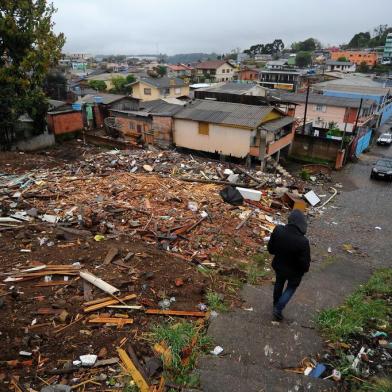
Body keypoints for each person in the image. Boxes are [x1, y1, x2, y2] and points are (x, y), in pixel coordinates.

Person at [267, 209, 311, 321]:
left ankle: (276, 303)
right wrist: (303, 271)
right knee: (291, 288)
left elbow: (271, 249)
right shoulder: (303, 242)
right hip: (294, 272)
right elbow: (305, 263)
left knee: (279, 283)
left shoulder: (278, 230)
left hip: (279, 266)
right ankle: (278, 308)